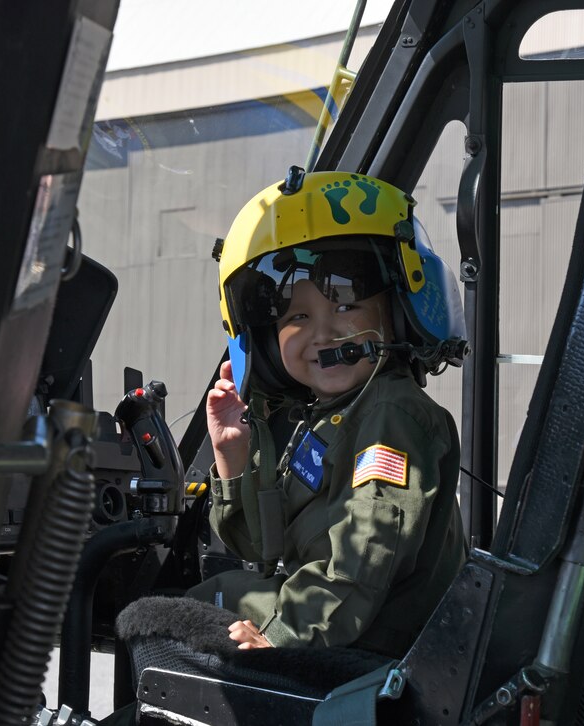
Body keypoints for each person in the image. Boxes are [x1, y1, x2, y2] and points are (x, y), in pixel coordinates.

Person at [186, 167, 469, 658]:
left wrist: (281, 637)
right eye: (297, 316)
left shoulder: (391, 415)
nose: (323, 333)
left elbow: (366, 554)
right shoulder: (327, 419)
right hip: (343, 626)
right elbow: (263, 548)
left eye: (346, 305)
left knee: (173, 619)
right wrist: (232, 456)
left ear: (397, 311)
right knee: (189, 606)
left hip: (376, 648)